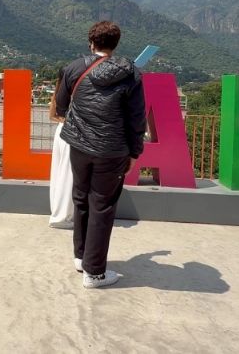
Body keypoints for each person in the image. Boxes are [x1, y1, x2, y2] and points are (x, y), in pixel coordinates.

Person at [54, 21, 146, 289]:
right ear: (115, 44)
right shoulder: (131, 74)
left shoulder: (74, 68)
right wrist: (135, 152)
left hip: (79, 147)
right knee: (102, 206)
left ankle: (81, 257)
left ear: (91, 42)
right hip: (112, 151)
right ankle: (94, 273)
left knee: (81, 198)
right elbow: (136, 118)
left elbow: (61, 106)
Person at [48, 87, 73, 229]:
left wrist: (62, 120)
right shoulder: (76, 90)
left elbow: (51, 115)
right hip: (71, 132)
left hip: (60, 130)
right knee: (68, 175)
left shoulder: (58, 90)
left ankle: (57, 211)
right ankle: (62, 217)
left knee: (58, 173)